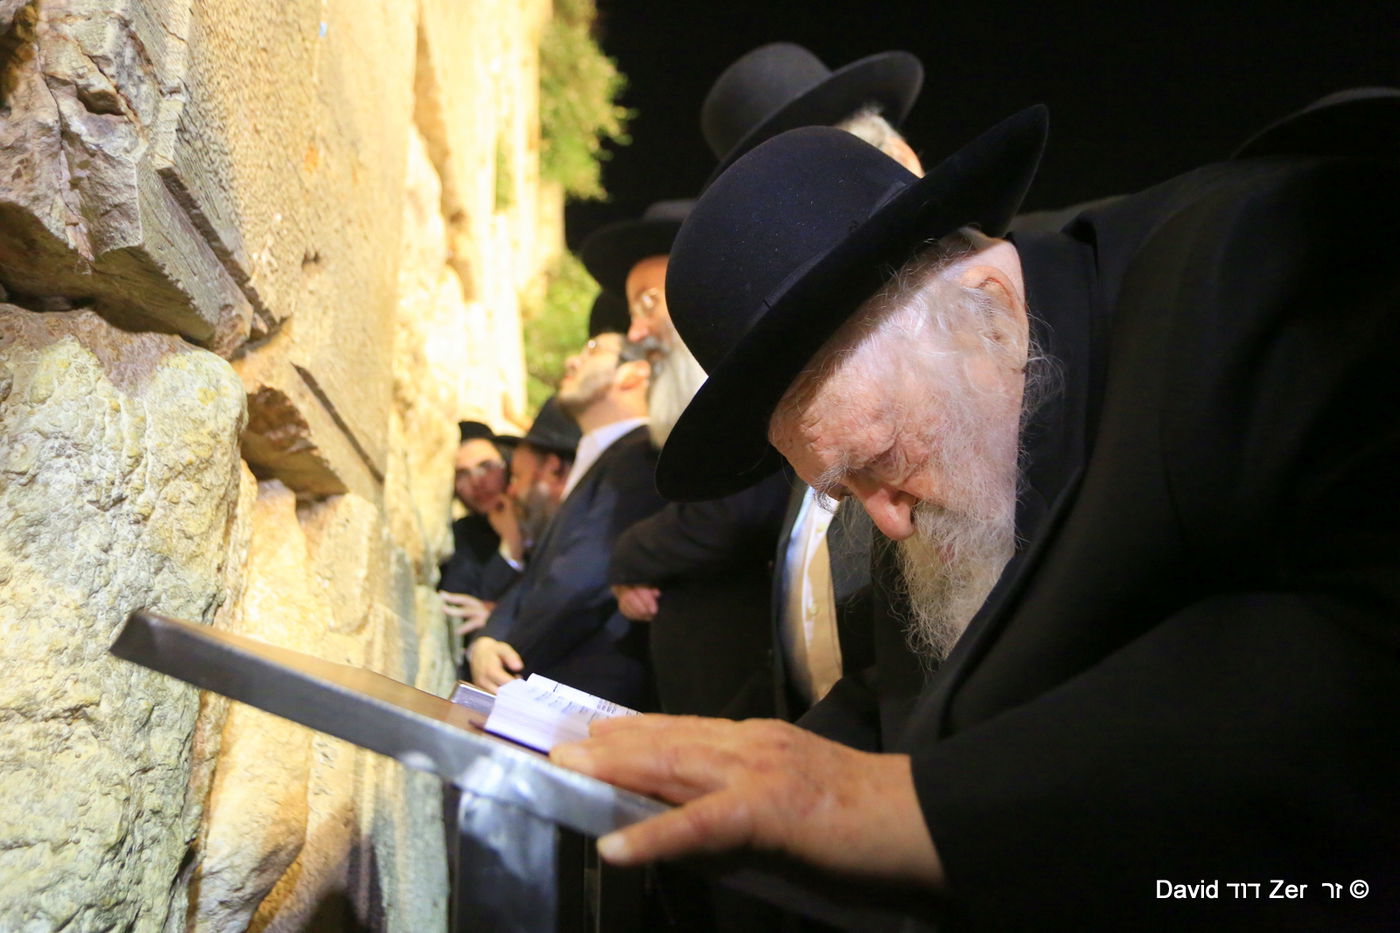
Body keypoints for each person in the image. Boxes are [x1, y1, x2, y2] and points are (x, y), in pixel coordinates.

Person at [549, 97, 1400, 929]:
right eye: (846, 488)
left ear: (988, 312)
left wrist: (916, 807)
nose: (885, 523)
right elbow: (908, 690)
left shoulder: (1267, 265)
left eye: (882, 461)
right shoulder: (942, 422)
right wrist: (721, 765)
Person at [584, 200, 790, 722]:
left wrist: (631, 553)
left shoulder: (755, 389)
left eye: (648, 302)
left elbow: (735, 511)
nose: (636, 333)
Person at [469, 332, 666, 707]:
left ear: (633, 374)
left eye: (593, 351)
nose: (571, 361)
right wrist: (487, 641)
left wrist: (507, 655)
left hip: (581, 694)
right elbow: (536, 577)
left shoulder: (644, 454)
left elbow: (582, 579)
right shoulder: (602, 456)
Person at [438, 422, 522, 638]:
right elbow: (460, 608)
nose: (477, 481)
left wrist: (496, 613)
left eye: (487, 466)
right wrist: (510, 545)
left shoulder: (544, 519)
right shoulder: (462, 536)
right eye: (462, 473)